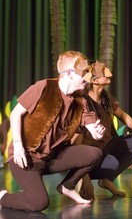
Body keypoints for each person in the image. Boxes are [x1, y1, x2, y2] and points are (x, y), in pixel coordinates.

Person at [0, 51, 105, 212]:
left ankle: (67, 186)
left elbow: (91, 125)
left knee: (94, 154)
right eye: (85, 72)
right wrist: (18, 146)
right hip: (26, 158)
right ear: (69, 74)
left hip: (53, 157)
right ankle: (3, 198)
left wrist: (96, 132)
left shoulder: (81, 99)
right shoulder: (44, 87)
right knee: (39, 203)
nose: (89, 77)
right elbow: (16, 113)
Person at [78, 61, 132, 199]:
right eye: (103, 71)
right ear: (95, 80)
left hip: (108, 145)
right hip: (90, 154)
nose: (108, 72)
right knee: (112, 163)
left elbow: (122, 114)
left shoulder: (106, 96)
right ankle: (83, 176)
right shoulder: (83, 101)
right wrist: (83, 177)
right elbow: (77, 140)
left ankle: (106, 180)